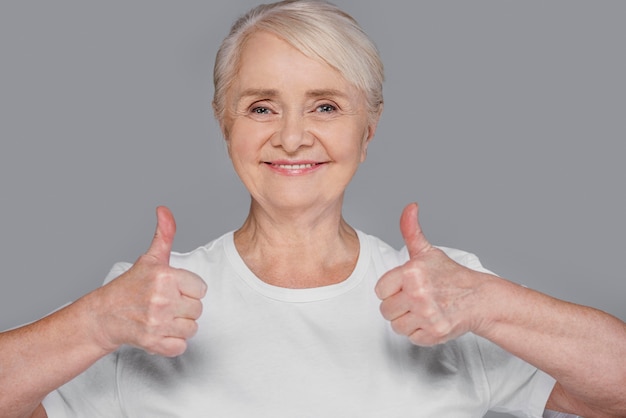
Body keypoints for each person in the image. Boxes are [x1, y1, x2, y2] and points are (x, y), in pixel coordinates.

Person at [1, 1, 625, 417]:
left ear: (368, 128)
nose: (293, 137)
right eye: (262, 106)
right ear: (226, 123)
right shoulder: (146, 303)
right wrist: (93, 325)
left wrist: (491, 302)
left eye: (326, 106)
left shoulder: (443, 296)